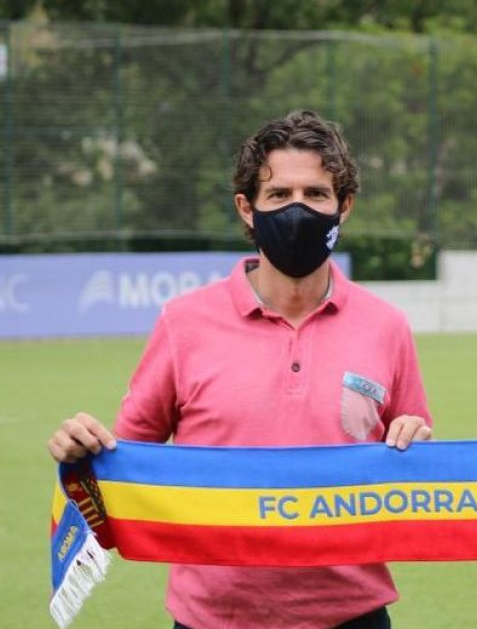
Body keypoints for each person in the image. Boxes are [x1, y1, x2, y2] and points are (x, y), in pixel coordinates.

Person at [48, 110, 433, 629]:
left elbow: (417, 478)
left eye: (316, 195)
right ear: (247, 209)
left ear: (345, 207)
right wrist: (83, 450)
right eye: (279, 196)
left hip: (352, 614)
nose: (298, 210)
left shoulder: (387, 326)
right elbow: (128, 459)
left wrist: (416, 447)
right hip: (214, 617)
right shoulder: (185, 323)